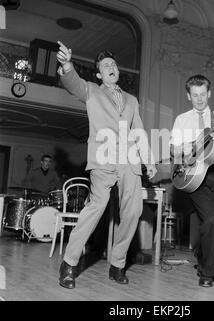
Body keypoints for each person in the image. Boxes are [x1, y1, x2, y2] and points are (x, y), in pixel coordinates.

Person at [56, 41, 157, 289]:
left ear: (118, 71)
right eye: (105, 65)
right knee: (97, 207)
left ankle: (117, 264)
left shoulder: (132, 100)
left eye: (113, 64)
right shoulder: (92, 91)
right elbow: (73, 84)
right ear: (100, 74)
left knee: (133, 211)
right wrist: (67, 65)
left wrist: (148, 159)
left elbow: (139, 130)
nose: (111, 67)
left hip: (129, 161)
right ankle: (69, 263)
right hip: (103, 157)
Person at [170, 74, 214, 287]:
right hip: (195, 176)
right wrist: (184, 150)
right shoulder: (182, 119)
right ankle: (208, 274)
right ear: (188, 96)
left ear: (209, 93)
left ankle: (202, 253)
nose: (199, 99)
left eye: (202, 94)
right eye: (194, 95)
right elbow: (173, 149)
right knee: (210, 221)